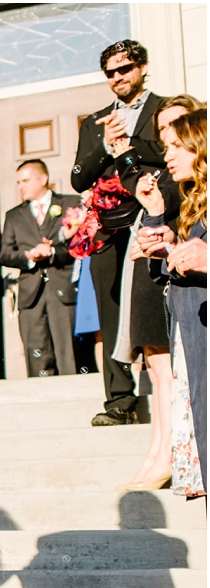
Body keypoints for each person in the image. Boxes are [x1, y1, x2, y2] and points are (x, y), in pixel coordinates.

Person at [71, 40, 166, 427]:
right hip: (108, 229)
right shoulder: (95, 121)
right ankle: (120, 400)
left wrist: (131, 144)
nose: (117, 78)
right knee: (111, 310)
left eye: (124, 69)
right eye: (110, 73)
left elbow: (175, 154)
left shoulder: (166, 108)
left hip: (155, 218)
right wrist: (106, 149)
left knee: (158, 301)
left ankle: (170, 383)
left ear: (142, 67)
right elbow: (78, 177)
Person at [133, 107, 207, 492]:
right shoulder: (196, 207)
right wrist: (166, 241)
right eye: (165, 147)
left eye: (178, 145)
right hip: (195, 352)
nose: (168, 156)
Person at [1, 160, 85, 378]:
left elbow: (82, 244)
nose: (21, 186)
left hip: (63, 289)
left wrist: (54, 252)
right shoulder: (14, 215)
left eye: (26, 181)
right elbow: (5, 254)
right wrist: (29, 256)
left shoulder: (70, 204)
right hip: (31, 294)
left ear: (43, 179)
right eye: (19, 182)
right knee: (37, 357)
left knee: (69, 356)